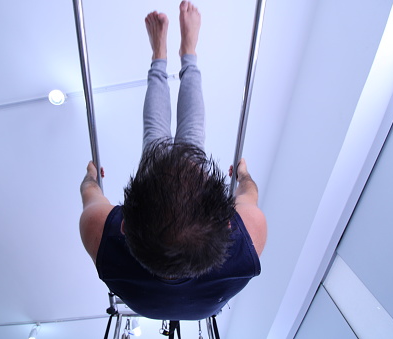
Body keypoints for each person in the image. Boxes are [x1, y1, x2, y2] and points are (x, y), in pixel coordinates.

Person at [80, 1, 267, 321]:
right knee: (187, 137)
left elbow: (90, 191)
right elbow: (246, 191)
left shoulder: (100, 235)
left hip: (151, 293)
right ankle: (188, 51)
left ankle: (159, 55)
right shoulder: (250, 236)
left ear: (123, 226)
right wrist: (244, 176)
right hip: (197, 304)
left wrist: (92, 179)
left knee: (161, 136)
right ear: (227, 224)